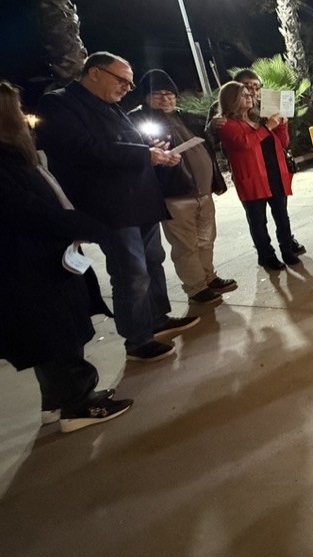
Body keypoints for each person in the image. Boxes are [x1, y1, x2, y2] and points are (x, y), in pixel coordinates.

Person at [35, 51, 199, 363]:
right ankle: (137, 338)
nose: (127, 88)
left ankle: (158, 318)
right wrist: (143, 155)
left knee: (153, 261)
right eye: (121, 80)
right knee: (131, 272)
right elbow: (82, 150)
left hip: (141, 200)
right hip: (110, 206)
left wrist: (155, 153)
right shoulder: (59, 103)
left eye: (130, 83)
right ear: (94, 72)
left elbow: (129, 145)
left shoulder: (112, 107)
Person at [0, 80, 134, 432]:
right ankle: (78, 405)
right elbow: (27, 210)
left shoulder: (14, 155)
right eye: (14, 108)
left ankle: (56, 402)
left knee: (48, 334)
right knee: (58, 331)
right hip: (30, 264)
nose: (22, 115)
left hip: (37, 260)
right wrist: (85, 225)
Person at [128, 69, 237, 304]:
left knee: (206, 239)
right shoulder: (137, 121)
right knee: (185, 244)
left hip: (203, 192)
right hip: (174, 195)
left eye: (170, 94)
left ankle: (209, 277)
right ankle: (196, 287)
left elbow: (208, 142)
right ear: (146, 97)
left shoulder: (185, 117)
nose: (166, 99)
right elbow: (134, 154)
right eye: (158, 94)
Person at [208, 68, 306, 256]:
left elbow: (281, 141)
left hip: (273, 170)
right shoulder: (223, 116)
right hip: (250, 172)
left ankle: (287, 245)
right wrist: (212, 125)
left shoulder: (262, 108)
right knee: (257, 218)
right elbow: (229, 139)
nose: (251, 92)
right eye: (246, 88)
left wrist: (282, 124)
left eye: (255, 87)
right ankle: (265, 253)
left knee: (281, 214)